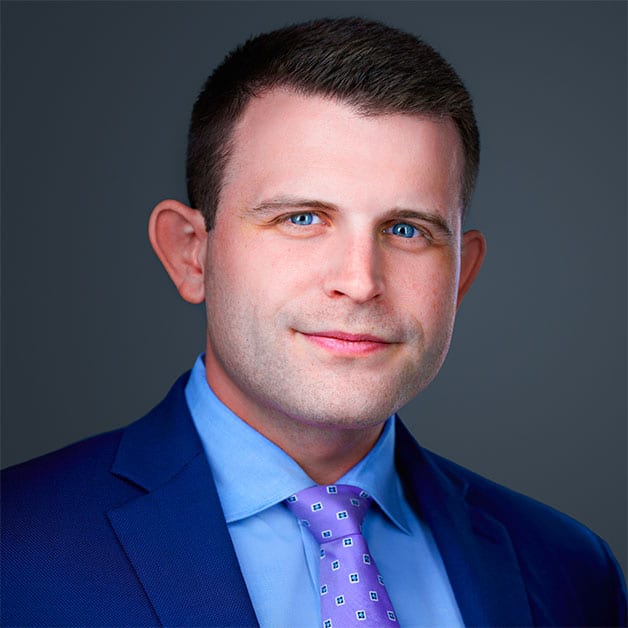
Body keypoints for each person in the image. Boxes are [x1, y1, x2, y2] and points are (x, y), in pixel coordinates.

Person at [2, 16, 625, 628]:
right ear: (192, 252)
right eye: (302, 218)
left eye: (407, 230)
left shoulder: (570, 571)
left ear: (460, 277)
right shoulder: (16, 548)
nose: (359, 281)